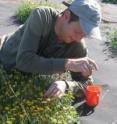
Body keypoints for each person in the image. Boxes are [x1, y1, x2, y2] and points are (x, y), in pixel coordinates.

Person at [0, 0, 101, 98]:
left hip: (21, 78)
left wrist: (66, 85)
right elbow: (24, 61)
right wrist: (68, 64)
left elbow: (87, 84)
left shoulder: (77, 45)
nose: (78, 39)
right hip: (3, 54)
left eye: (84, 35)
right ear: (66, 15)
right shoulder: (42, 17)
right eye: (78, 31)